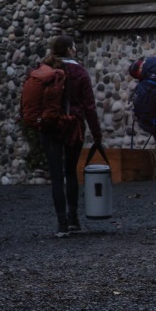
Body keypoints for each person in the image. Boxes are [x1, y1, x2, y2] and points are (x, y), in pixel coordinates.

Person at [39, 35, 103, 238]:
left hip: (49, 126)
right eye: (73, 48)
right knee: (70, 172)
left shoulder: (43, 70)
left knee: (56, 175)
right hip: (73, 126)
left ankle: (61, 224)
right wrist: (96, 133)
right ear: (68, 50)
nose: (75, 51)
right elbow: (89, 107)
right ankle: (74, 219)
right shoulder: (80, 72)